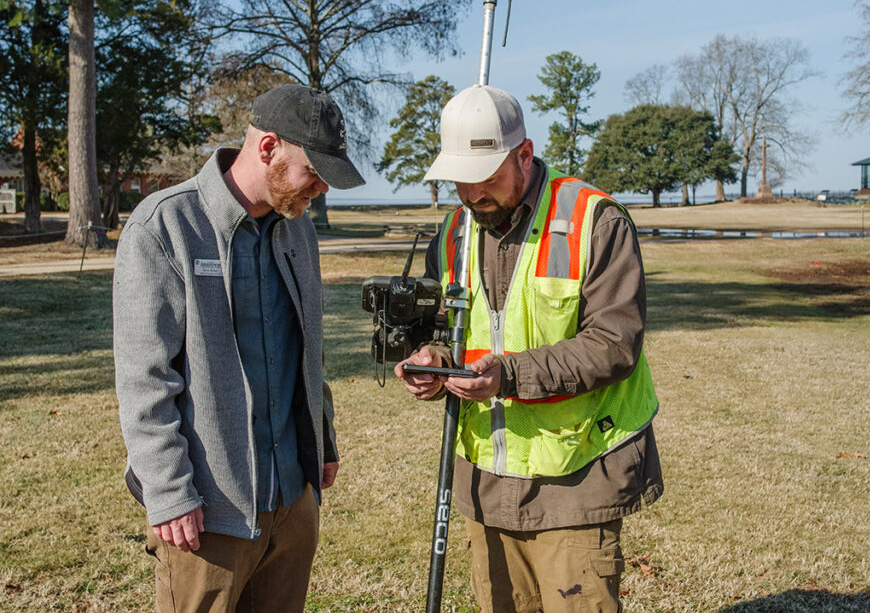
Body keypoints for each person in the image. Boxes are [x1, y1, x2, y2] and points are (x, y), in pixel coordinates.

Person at [396, 84, 662, 612]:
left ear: (525, 154)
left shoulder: (594, 220)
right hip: (485, 482)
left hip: (577, 475)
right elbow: (446, 332)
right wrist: (433, 361)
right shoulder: (453, 233)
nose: (471, 197)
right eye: (459, 183)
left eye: (486, 179)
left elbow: (614, 344)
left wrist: (507, 376)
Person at [113, 84, 364, 612]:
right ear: (268, 147)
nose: (319, 189)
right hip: (208, 516)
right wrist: (169, 492)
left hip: (293, 502)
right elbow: (145, 380)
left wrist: (323, 438)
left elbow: (308, 349)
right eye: (312, 173)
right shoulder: (164, 227)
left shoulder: (299, 231)